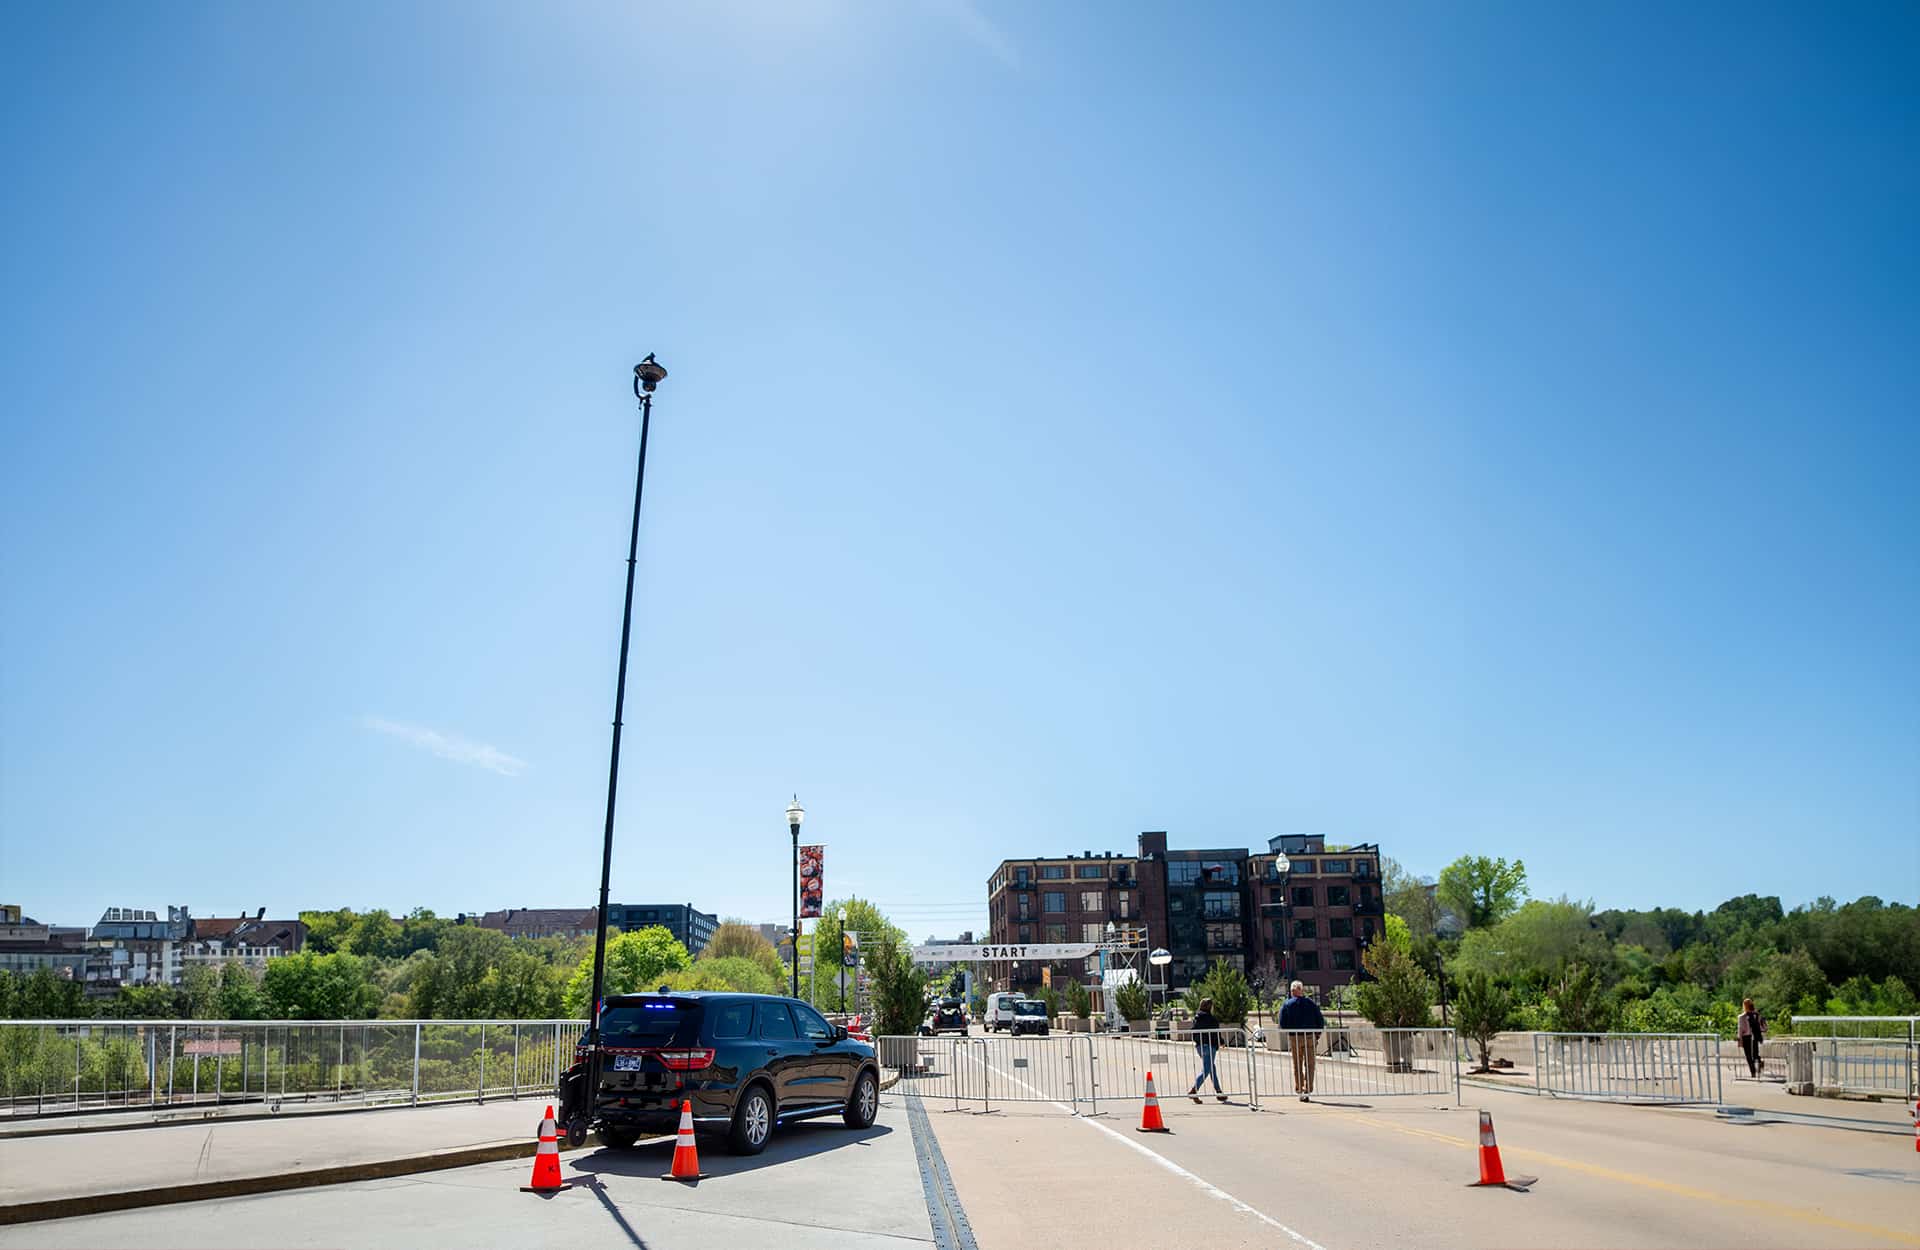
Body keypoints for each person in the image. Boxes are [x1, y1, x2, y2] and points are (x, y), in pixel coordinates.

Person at [1278, 980, 1326, 1101]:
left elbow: (1282, 1023)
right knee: (1310, 1064)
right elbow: (1320, 1019)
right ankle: (1308, 1089)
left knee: (1297, 1064)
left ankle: (1300, 1088)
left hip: (1295, 1037)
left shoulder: (1287, 1004)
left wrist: (1290, 1032)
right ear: (1301, 990)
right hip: (1310, 1036)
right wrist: (1317, 1034)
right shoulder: (1311, 1003)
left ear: (1292, 991)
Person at [1186, 997, 1228, 1103]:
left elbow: (1193, 1032)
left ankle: (1219, 1092)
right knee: (1207, 1069)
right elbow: (1216, 1032)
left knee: (1211, 1068)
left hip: (1200, 1046)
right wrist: (1221, 1042)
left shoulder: (1197, 1018)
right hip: (1209, 1046)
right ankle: (1194, 1090)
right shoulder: (1211, 1019)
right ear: (1210, 1007)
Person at [1737, 998, 1765, 1077]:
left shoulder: (1741, 1017)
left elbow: (1740, 1029)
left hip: (1746, 1037)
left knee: (1749, 1056)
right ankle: (1759, 1062)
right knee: (1755, 1054)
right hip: (1755, 1037)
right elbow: (1760, 1026)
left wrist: (1739, 1040)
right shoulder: (1756, 1015)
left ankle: (1753, 1072)